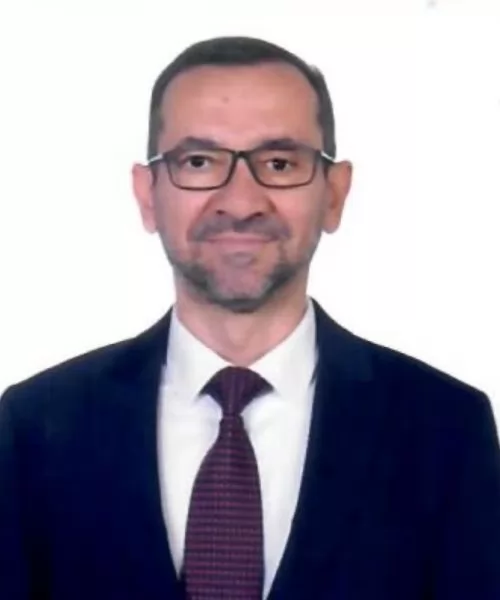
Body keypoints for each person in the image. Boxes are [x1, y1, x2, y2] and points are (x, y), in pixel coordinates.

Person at [1, 36, 499, 600]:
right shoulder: (36, 426)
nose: (241, 202)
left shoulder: (445, 429)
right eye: (198, 162)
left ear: (334, 195)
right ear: (147, 195)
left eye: (279, 163)